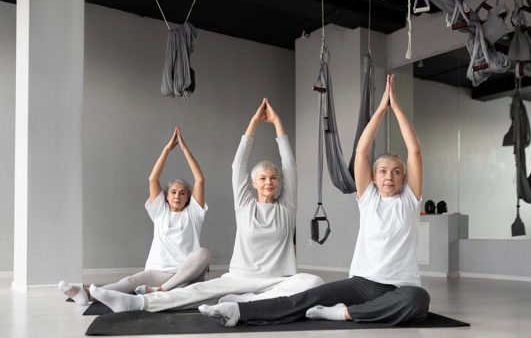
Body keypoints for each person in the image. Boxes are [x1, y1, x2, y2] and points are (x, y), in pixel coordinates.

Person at [199, 74, 430, 326]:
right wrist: (381, 109)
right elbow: (361, 151)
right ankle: (239, 311)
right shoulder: (368, 198)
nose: (390, 176)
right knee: (308, 297)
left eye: (397, 171)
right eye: (383, 171)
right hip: (361, 282)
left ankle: (344, 313)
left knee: (418, 300)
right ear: (373, 178)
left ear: (404, 177)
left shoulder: (409, 198)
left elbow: (415, 150)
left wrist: (395, 107)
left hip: (400, 287)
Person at [88, 98, 323, 312]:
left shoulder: (287, 206)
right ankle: (139, 302)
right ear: (252, 183)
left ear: (280, 181)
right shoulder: (244, 204)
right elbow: (238, 165)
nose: (269, 182)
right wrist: (253, 123)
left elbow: (290, 164)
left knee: (314, 282)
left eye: (273, 177)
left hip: (279, 279)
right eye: (262, 178)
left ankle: (246, 301)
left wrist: (278, 123)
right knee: (198, 292)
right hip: (241, 276)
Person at [59, 127, 210, 305]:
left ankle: (162, 290)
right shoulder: (160, 211)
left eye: (183, 193)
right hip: (159, 272)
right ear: (166, 197)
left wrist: (184, 149)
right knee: (129, 282)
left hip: (186, 273)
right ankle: (86, 294)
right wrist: (166, 150)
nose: (178, 196)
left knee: (203, 253)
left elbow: (199, 180)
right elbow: (152, 180)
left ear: (188, 198)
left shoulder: (193, 213)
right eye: (174, 192)